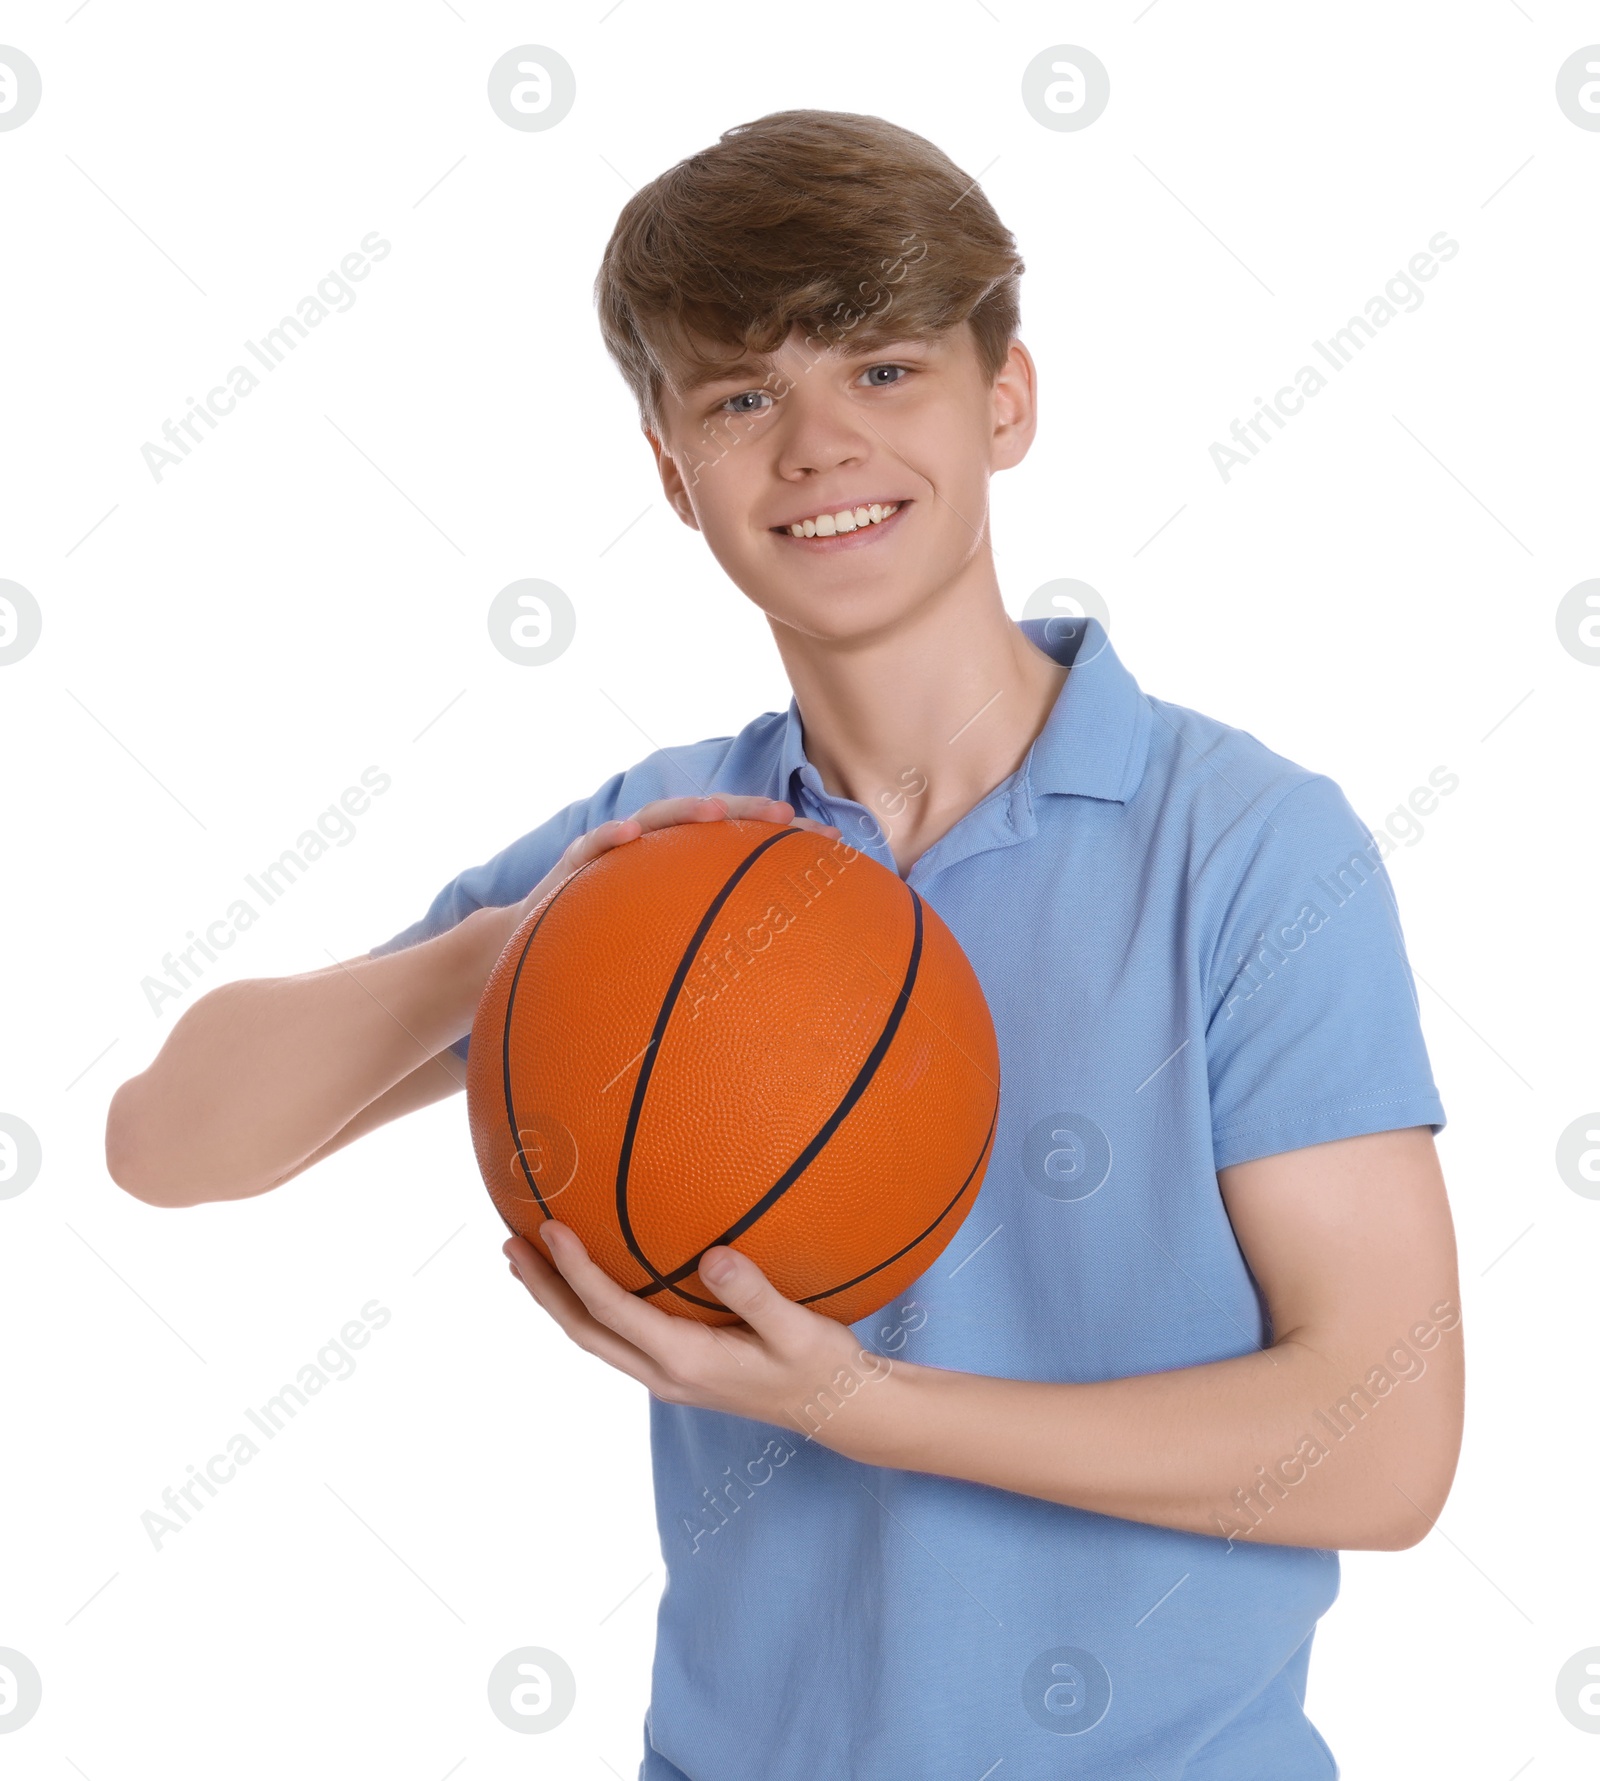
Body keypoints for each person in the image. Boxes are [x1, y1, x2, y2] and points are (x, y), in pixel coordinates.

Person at [106, 109, 1464, 1780]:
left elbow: (1386, 1439)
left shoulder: (1244, 845)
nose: (818, 444)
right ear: (676, 477)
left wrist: (861, 1413)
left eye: (885, 371)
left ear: (1008, 401)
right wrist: (506, 952)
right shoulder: (666, 855)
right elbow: (164, 1143)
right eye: (744, 397)